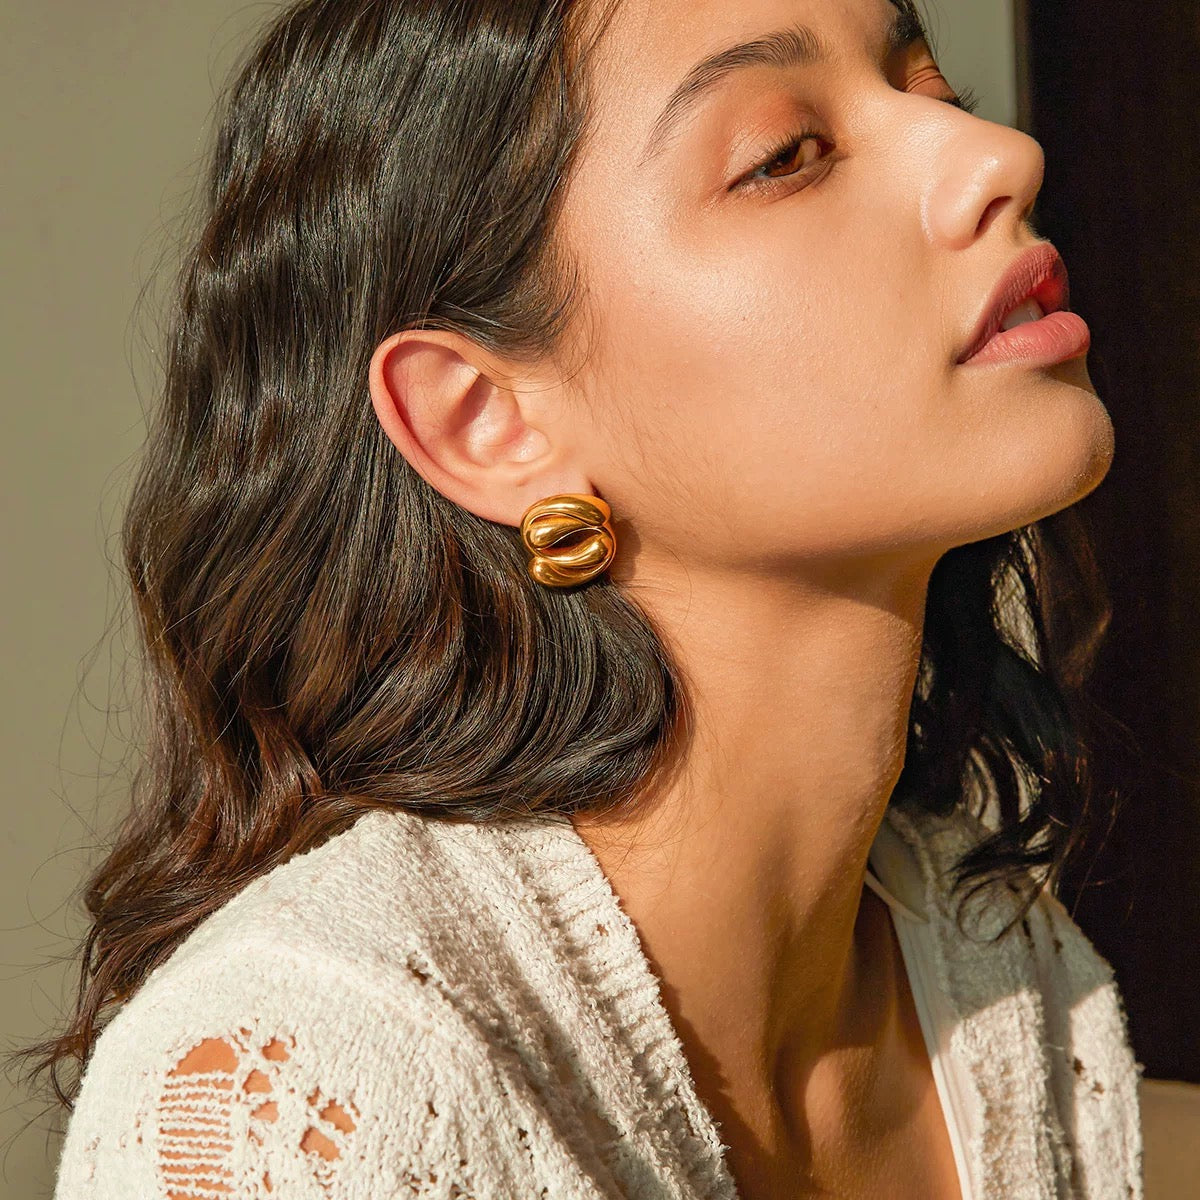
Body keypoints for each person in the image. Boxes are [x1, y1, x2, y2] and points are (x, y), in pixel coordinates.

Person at [24, 0, 1143, 1196]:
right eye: (785, 156)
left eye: (929, 90)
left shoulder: (1006, 973)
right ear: (488, 421)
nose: (997, 155)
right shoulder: (308, 1099)